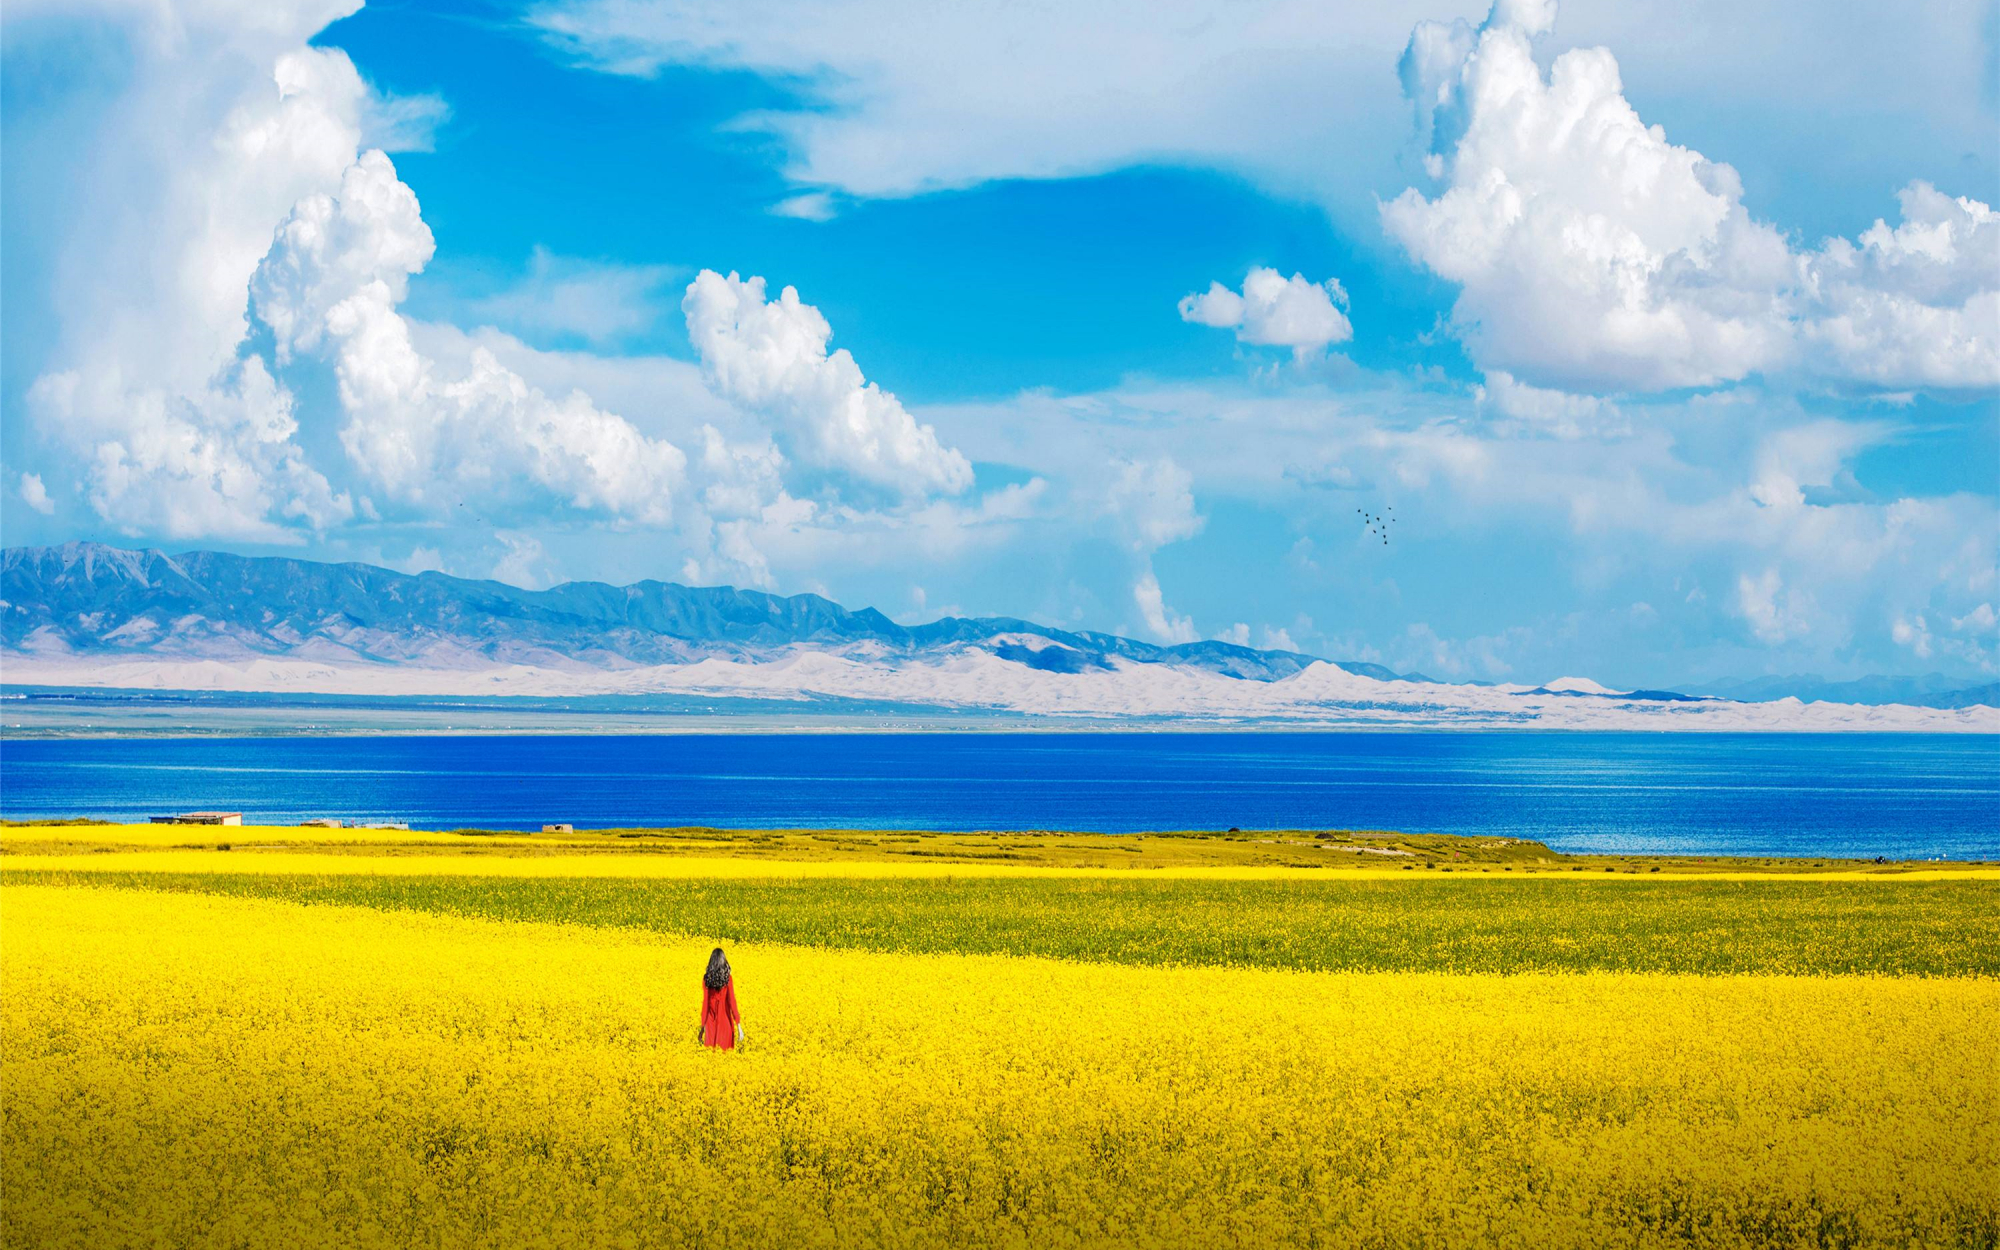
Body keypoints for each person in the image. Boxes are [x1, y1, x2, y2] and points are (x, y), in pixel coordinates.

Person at [699, 947, 742, 1049]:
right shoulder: (728, 978)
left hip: (710, 1022)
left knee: (711, 1055)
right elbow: (732, 1002)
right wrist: (738, 1025)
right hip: (725, 1021)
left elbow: (705, 1004)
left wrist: (702, 1027)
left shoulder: (707, 979)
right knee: (724, 1056)